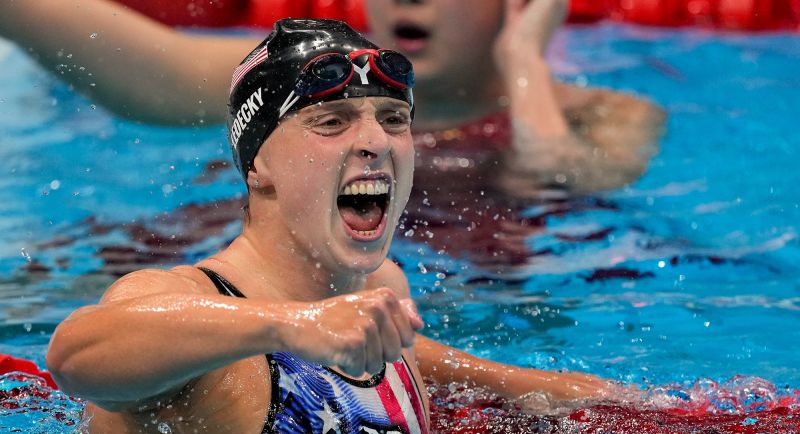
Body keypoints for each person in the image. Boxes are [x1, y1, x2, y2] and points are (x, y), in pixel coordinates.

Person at [45, 19, 612, 434]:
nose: (377, 142)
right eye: (332, 121)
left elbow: (380, 342)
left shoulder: (378, 286)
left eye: (393, 119)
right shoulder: (203, 319)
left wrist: (540, 389)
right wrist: (292, 324)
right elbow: (77, 355)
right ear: (256, 166)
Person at [0, 0, 663, 194]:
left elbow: (563, 180)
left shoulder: (602, 113)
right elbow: (148, 78)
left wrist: (522, 60)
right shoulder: (304, 77)